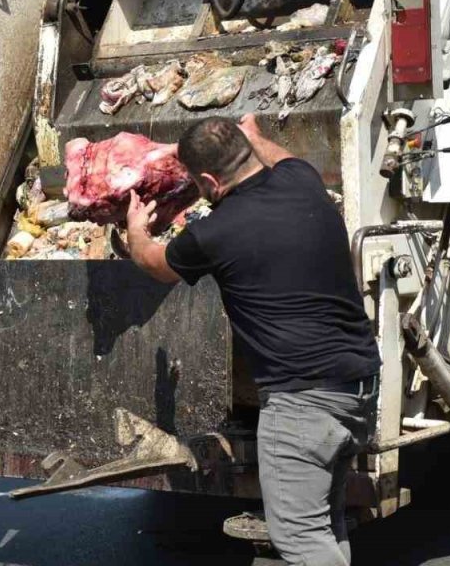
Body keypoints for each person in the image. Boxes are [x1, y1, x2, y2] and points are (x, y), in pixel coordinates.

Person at [125, 114, 381, 565]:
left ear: (209, 181)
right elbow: (282, 158)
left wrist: (135, 228)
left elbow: (153, 263)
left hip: (303, 403)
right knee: (324, 525)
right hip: (357, 387)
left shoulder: (213, 234)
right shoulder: (303, 182)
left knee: (300, 538)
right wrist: (255, 135)